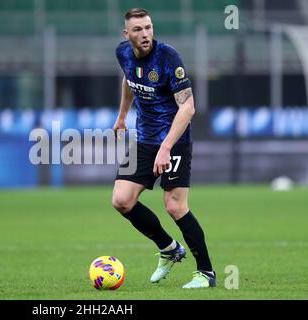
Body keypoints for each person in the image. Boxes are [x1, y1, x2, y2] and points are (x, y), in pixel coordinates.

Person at [112, 8, 216, 289]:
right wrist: (122, 115)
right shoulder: (122, 53)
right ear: (127, 34)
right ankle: (169, 249)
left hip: (174, 139)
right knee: (121, 200)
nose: (145, 34)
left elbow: (189, 106)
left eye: (148, 27)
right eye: (137, 30)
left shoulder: (168, 57)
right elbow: (129, 79)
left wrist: (166, 147)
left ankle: (206, 273)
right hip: (145, 138)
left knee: (175, 206)